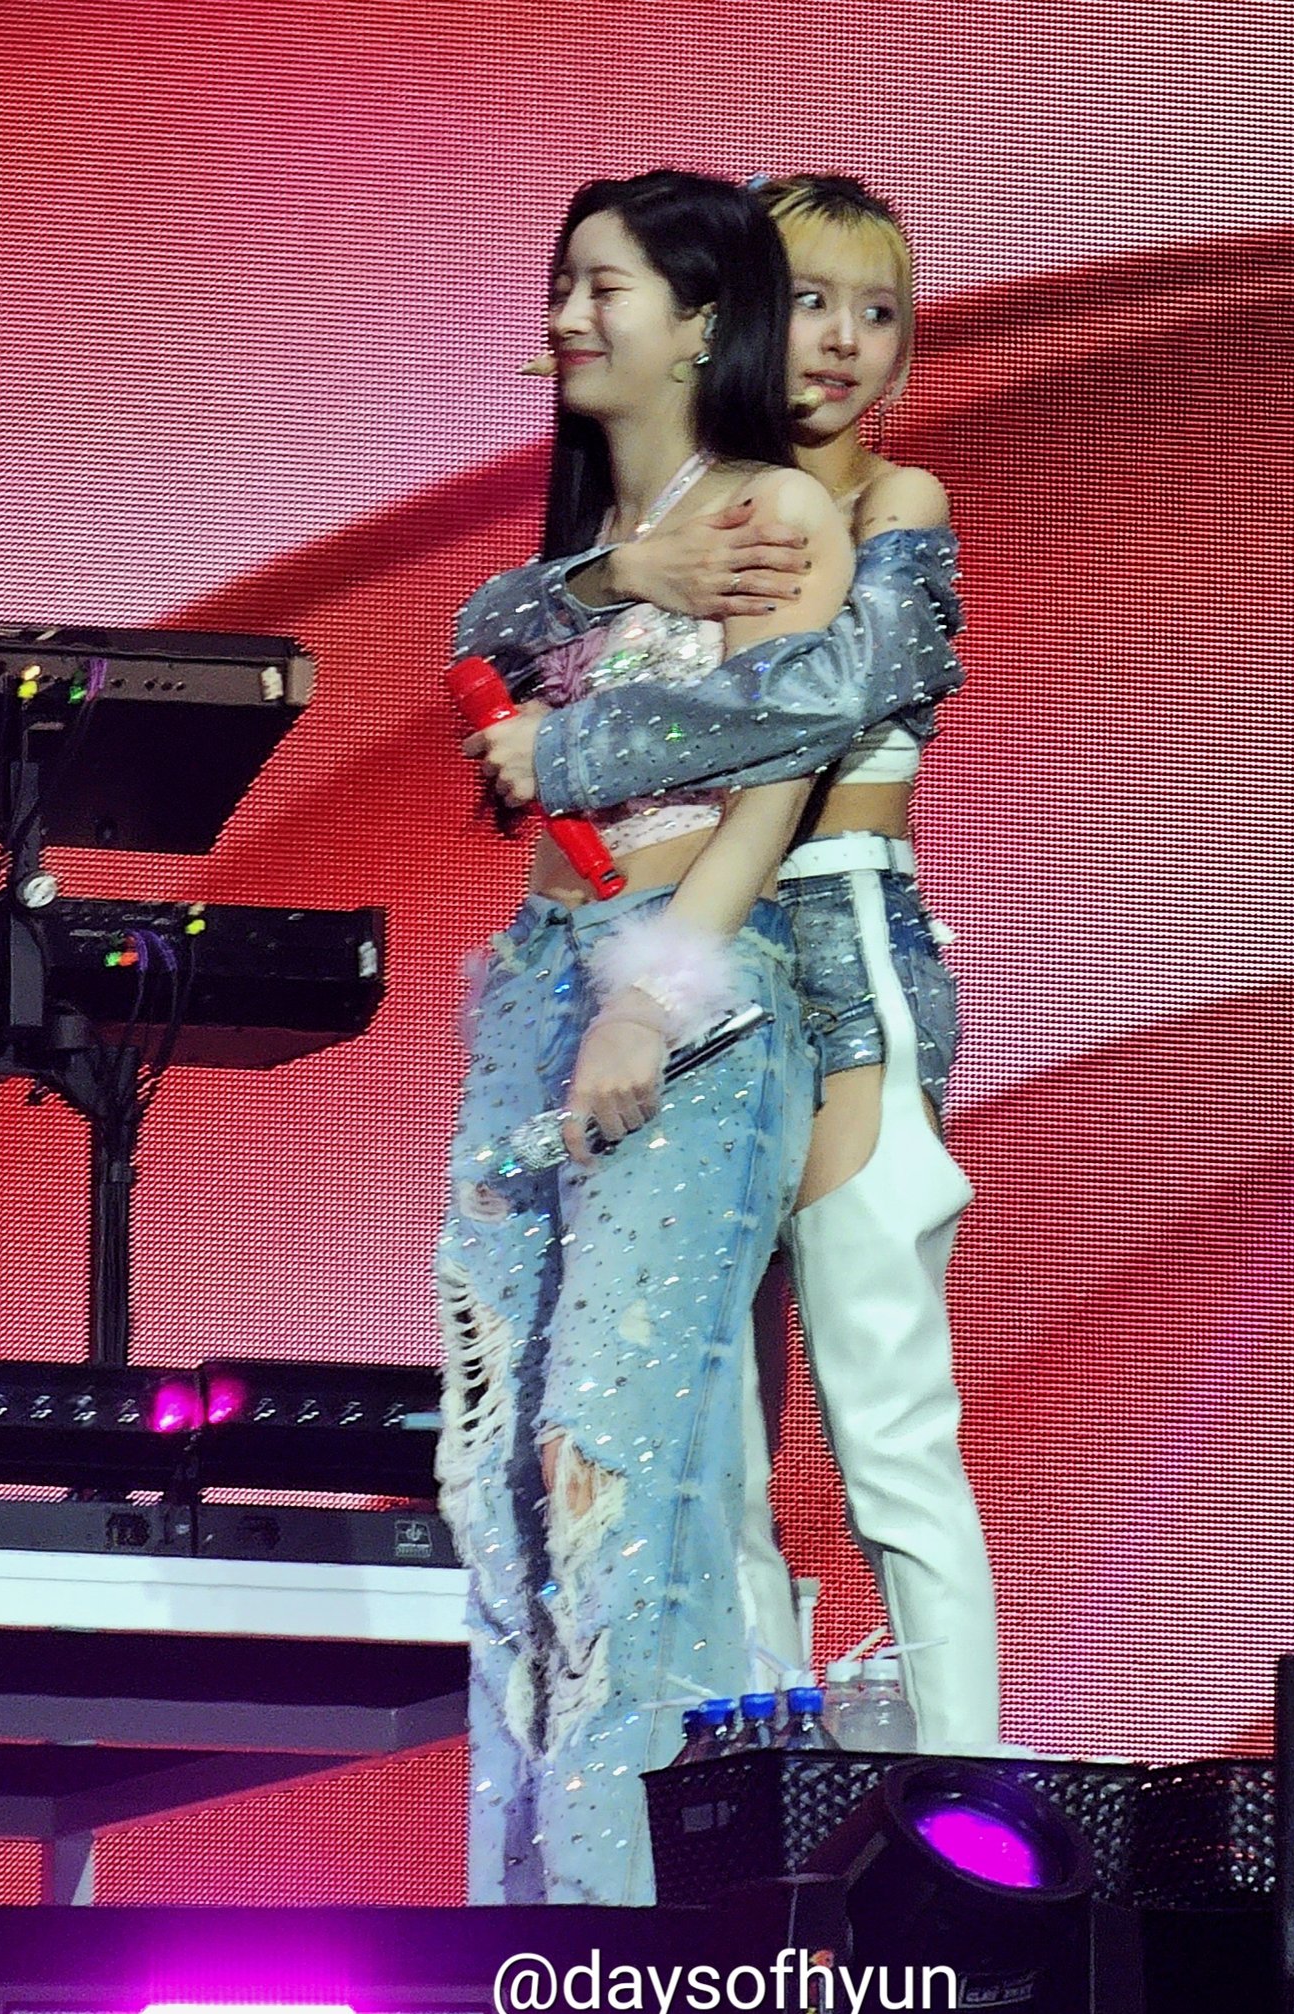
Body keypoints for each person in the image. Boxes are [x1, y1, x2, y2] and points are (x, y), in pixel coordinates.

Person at [460, 175, 999, 1755]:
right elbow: (487, 626)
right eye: (808, 299)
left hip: (843, 943)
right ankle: (747, 1785)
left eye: (878, 313)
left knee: (884, 1408)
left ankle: (970, 1798)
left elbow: (835, 696)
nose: (838, 342)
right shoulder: (679, 511)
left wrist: (571, 750)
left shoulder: (890, 501)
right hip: (698, 946)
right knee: (710, 1439)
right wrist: (624, 581)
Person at [435, 169, 854, 1909]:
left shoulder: (777, 511)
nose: (565, 318)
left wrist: (650, 994)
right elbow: (474, 643)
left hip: (684, 999)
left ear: (700, 323)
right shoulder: (574, 567)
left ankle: (628, 1942)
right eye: (560, 284)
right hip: (532, 991)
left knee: (608, 1461)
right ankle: (515, 1939)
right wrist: (622, 569)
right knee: (493, 1479)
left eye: (602, 287)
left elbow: (785, 771)